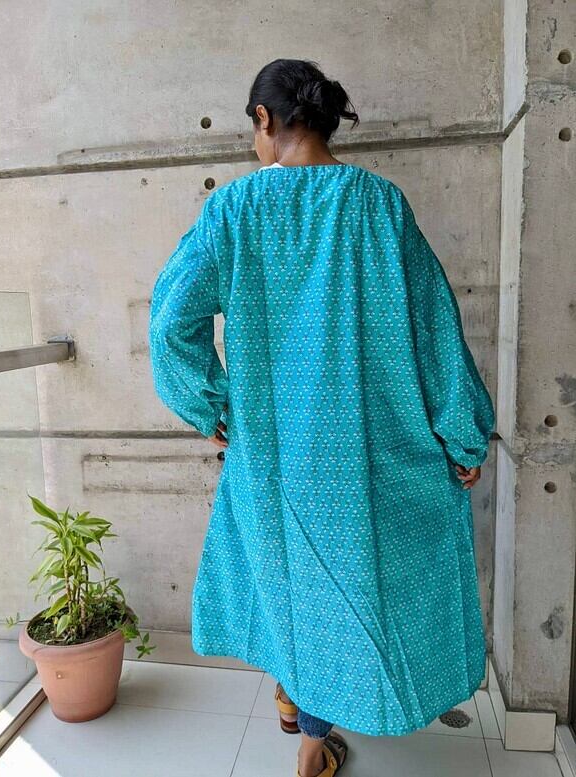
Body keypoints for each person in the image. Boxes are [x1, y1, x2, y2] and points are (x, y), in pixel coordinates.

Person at [149, 58, 495, 777]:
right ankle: (311, 734)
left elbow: (171, 324)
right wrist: (461, 432)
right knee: (348, 593)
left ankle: (301, 723)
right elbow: (434, 327)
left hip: (274, 456)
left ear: (265, 119)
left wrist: (208, 403)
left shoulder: (231, 211)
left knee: (287, 582)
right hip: (369, 456)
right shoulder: (378, 204)